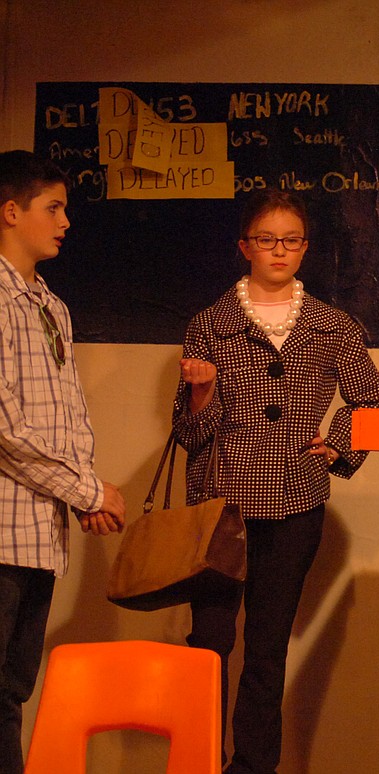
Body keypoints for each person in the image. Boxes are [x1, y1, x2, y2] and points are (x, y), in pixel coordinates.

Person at [172, 190, 379, 774]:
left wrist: (337, 445)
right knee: (210, 646)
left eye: (291, 240)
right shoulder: (210, 324)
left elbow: (374, 400)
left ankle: (252, 768)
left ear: (305, 249)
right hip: (219, 506)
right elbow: (189, 435)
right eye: (267, 239)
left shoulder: (332, 326)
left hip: (295, 501)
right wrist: (202, 389)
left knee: (266, 652)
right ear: (244, 246)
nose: (279, 250)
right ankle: (198, 759)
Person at [0, 150, 125, 773]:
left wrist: (85, 493)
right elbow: (4, 427)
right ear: (10, 211)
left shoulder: (50, 303)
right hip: (0, 533)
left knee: (13, 686)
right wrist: (85, 490)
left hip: (38, 532)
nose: (66, 221)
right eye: (53, 208)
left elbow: (67, 411)